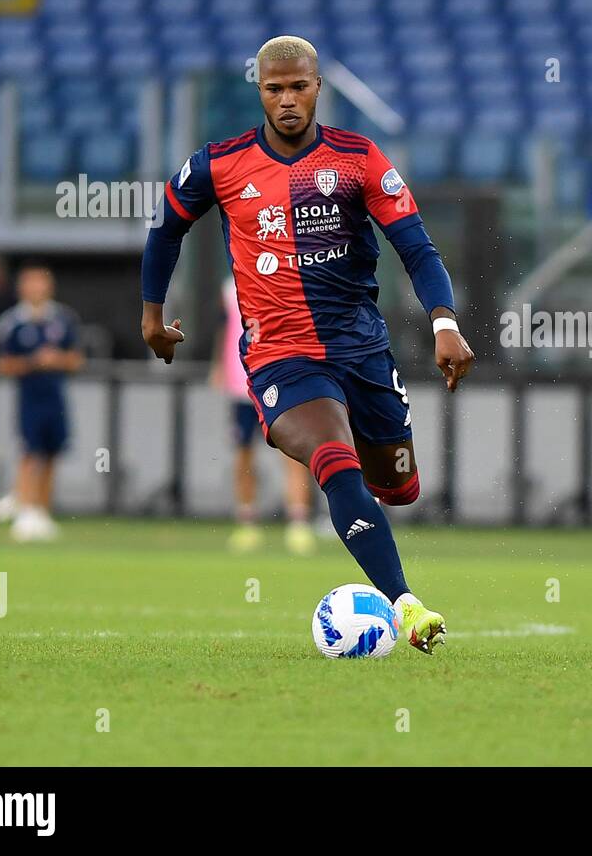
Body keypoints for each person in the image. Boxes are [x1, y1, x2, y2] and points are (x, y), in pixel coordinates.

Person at [141, 35, 473, 654]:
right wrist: (152, 314)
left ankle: (381, 509)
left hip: (362, 350)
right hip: (279, 355)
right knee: (332, 456)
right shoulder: (221, 162)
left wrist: (444, 323)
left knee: (398, 485)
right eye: (275, 89)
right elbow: (165, 228)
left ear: (318, 87)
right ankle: (405, 605)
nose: (287, 100)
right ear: (259, 91)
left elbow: (417, 248)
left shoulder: (359, 158)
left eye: (299, 87)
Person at [212, 275, 319, 556]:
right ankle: (247, 522)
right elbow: (225, 329)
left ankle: (298, 523)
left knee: (292, 453)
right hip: (241, 386)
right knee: (244, 453)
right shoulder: (229, 287)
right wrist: (219, 366)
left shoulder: (285, 275)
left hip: (278, 381)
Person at [0, 264, 84, 541]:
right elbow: (3, 365)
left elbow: (76, 360)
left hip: (55, 396)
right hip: (28, 398)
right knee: (30, 453)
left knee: (53, 453)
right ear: (22, 288)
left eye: (41, 283)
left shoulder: (63, 318)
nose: (37, 288)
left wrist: (56, 360)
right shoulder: (12, 322)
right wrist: (33, 362)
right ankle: (25, 510)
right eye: (31, 283)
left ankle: (43, 512)